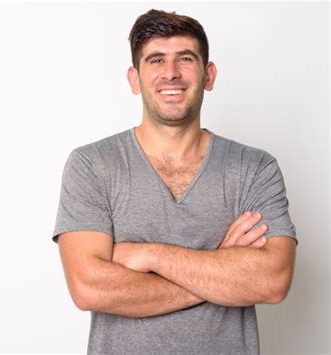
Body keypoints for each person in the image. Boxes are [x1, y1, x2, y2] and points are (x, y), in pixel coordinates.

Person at [52, 9, 297, 354]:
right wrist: (219, 268)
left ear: (208, 75)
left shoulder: (254, 168)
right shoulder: (92, 165)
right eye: (155, 60)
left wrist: (149, 255)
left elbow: (272, 281)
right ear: (134, 79)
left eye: (185, 58)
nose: (171, 73)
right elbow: (89, 287)